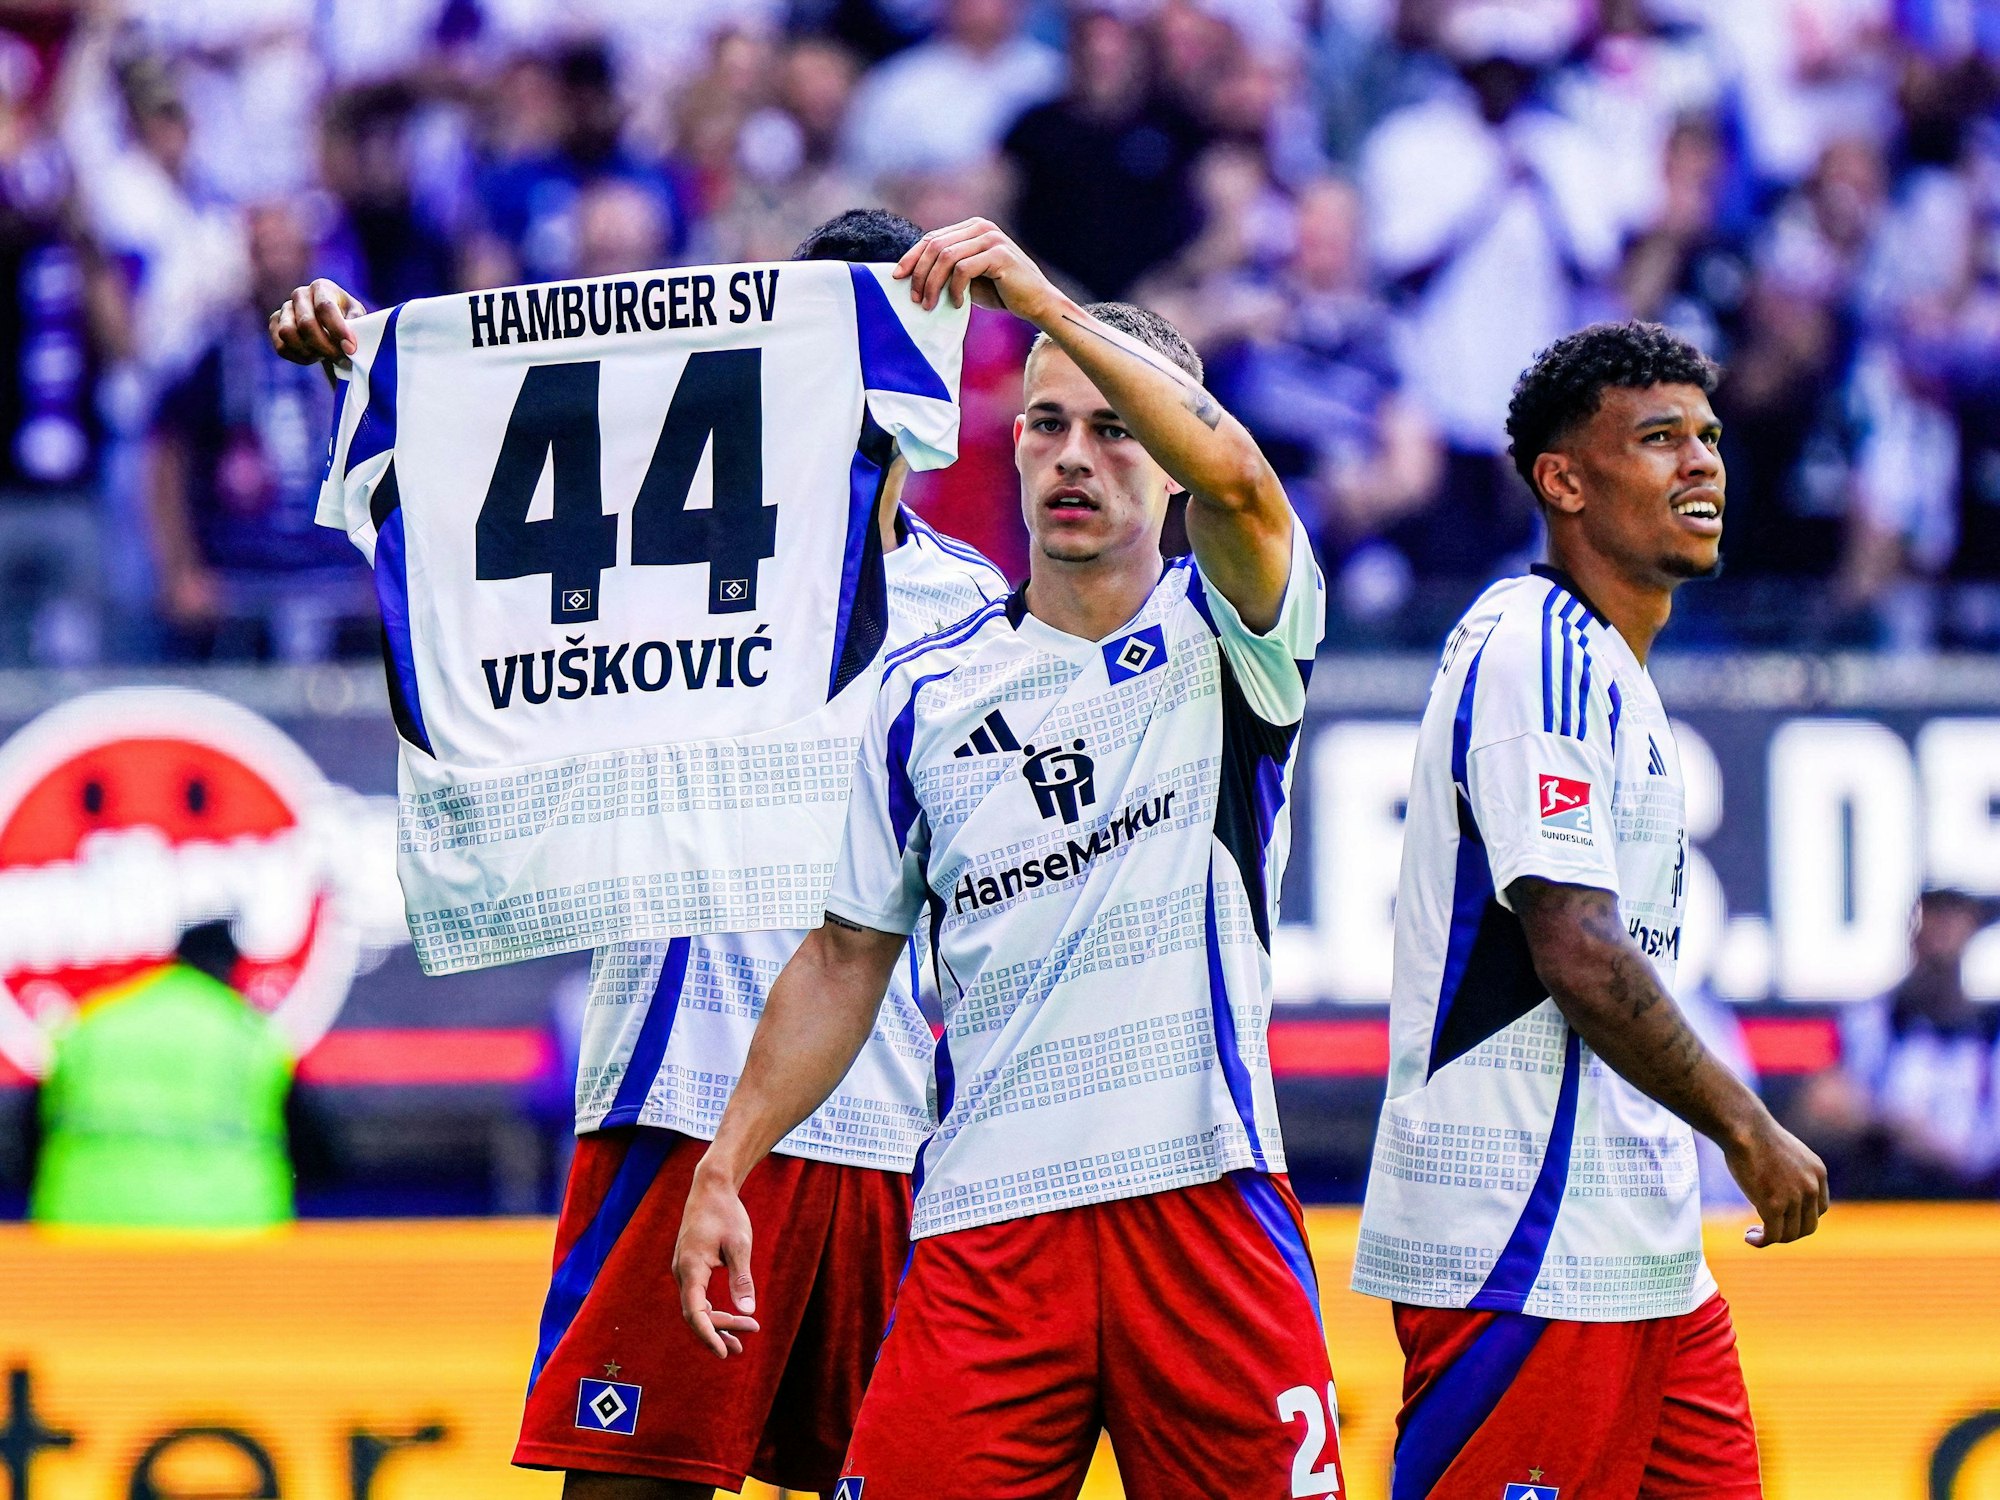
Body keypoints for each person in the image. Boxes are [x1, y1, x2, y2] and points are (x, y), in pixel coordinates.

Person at [273, 206, 1009, 1500]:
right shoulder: (654, 549)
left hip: (895, 1124)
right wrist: (360, 366)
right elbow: (470, 512)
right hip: (685, 1088)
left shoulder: (978, 607)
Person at [673, 219, 1344, 1497]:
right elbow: (845, 957)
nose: (1071, 456)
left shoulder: (1231, 638)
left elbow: (1245, 489)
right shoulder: (924, 692)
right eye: (1045, 424)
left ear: (1168, 464)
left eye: (1114, 429)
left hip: (1199, 1201)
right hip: (986, 1230)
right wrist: (725, 1165)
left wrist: (1041, 300)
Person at [1352, 322, 1828, 1499]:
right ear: (1561, 482)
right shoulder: (1536, 651)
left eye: (1706, 437)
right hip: (1522, 1245)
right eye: (1657, 438)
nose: (1700, 462)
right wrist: (1746, 1129)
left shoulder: (1605, 665)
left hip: (1638, 1251)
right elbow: (1578, 950)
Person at [31, 919, 294, 1227]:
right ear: (230, 965)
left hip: (83, 1215)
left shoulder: (96, 1020)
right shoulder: (250, 1034)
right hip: (229, 1221)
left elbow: (42, 1113)